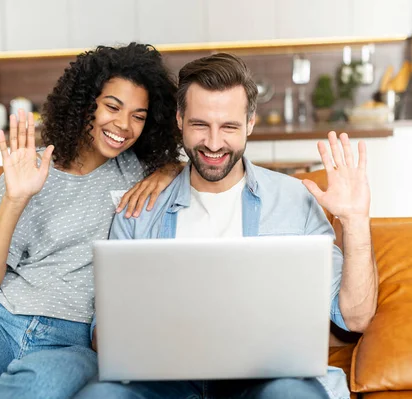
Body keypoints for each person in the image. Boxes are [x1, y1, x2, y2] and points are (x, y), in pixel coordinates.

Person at [0, 42, 182, 399]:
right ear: (87, 102)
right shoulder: (27, 168)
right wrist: (16, 198)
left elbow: (200, 164)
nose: (123, 125)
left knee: (41, 387)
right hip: (0, 322)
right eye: (112, 106)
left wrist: (167, 171)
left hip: (74, 341)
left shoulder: (138, 173)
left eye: (139, 115)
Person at [78, 53, 377, 399]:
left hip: (269, 380)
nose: (214, 143)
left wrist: (355, 222)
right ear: (179, 119)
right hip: (162, 380)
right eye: (200, 125)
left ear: (250, 122)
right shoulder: (140, 209)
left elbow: (355, 319)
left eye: (229, 127)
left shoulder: (295, 201)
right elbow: (103, 336)